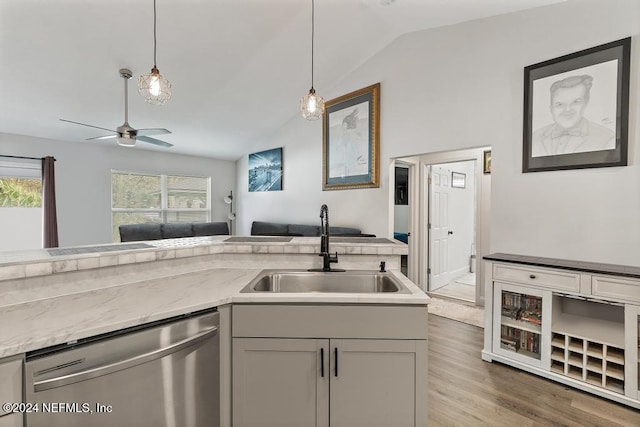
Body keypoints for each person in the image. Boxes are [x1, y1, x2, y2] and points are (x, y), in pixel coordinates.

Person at [531, 74, 615, 157]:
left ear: (585, 104)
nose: (568, 109)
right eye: (560, 104)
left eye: (576, 102)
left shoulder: (607, 138)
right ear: (551, 108)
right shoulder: (534, 137)